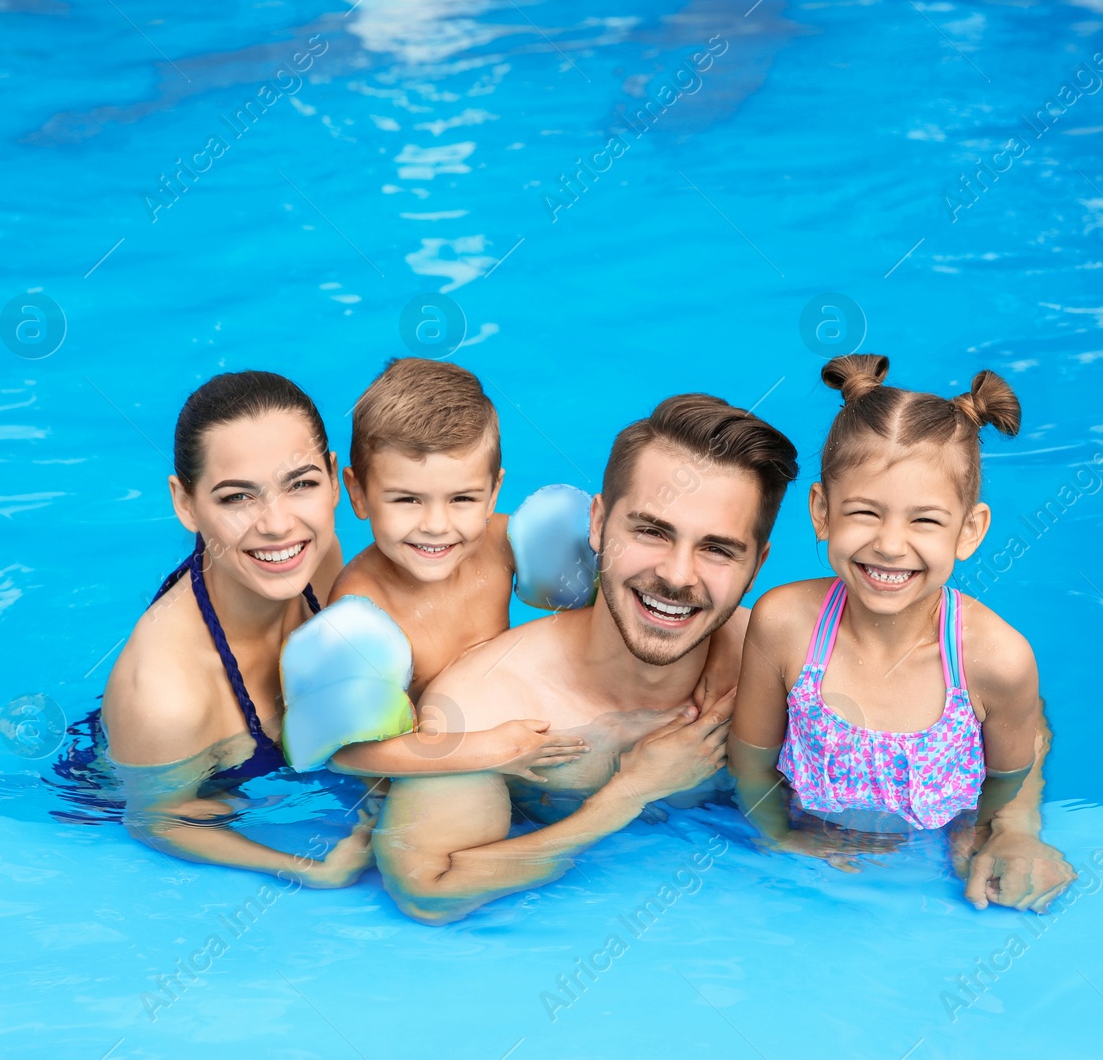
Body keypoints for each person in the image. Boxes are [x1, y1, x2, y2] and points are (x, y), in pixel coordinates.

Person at [97, 371, 575, 888]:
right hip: (197, 793)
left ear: (333, 481)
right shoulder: (167, 697)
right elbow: (155, 820)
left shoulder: (314, 562)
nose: (278, 525)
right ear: (186, 503)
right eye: (237, 497)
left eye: (300, 484)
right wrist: (301, 867)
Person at [371, 393, 800, 924]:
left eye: (717, 549)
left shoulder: (778, 671)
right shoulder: (486, 707)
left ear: (756, 565)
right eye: (651, 531)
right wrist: (627, 795)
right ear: (598, 525)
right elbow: (427, 893)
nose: (677, 575)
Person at [728, 355, 1076, 913]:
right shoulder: (785, 624)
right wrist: (781, 836)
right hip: (814, 848)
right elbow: (749, 760)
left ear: (969, 531)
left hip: (943, 851)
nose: (891, 544)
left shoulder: (996, 660)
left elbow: (1013, 774)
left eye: (925, 520)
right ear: (822, 512)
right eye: (864, 512)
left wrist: (1011, 831)